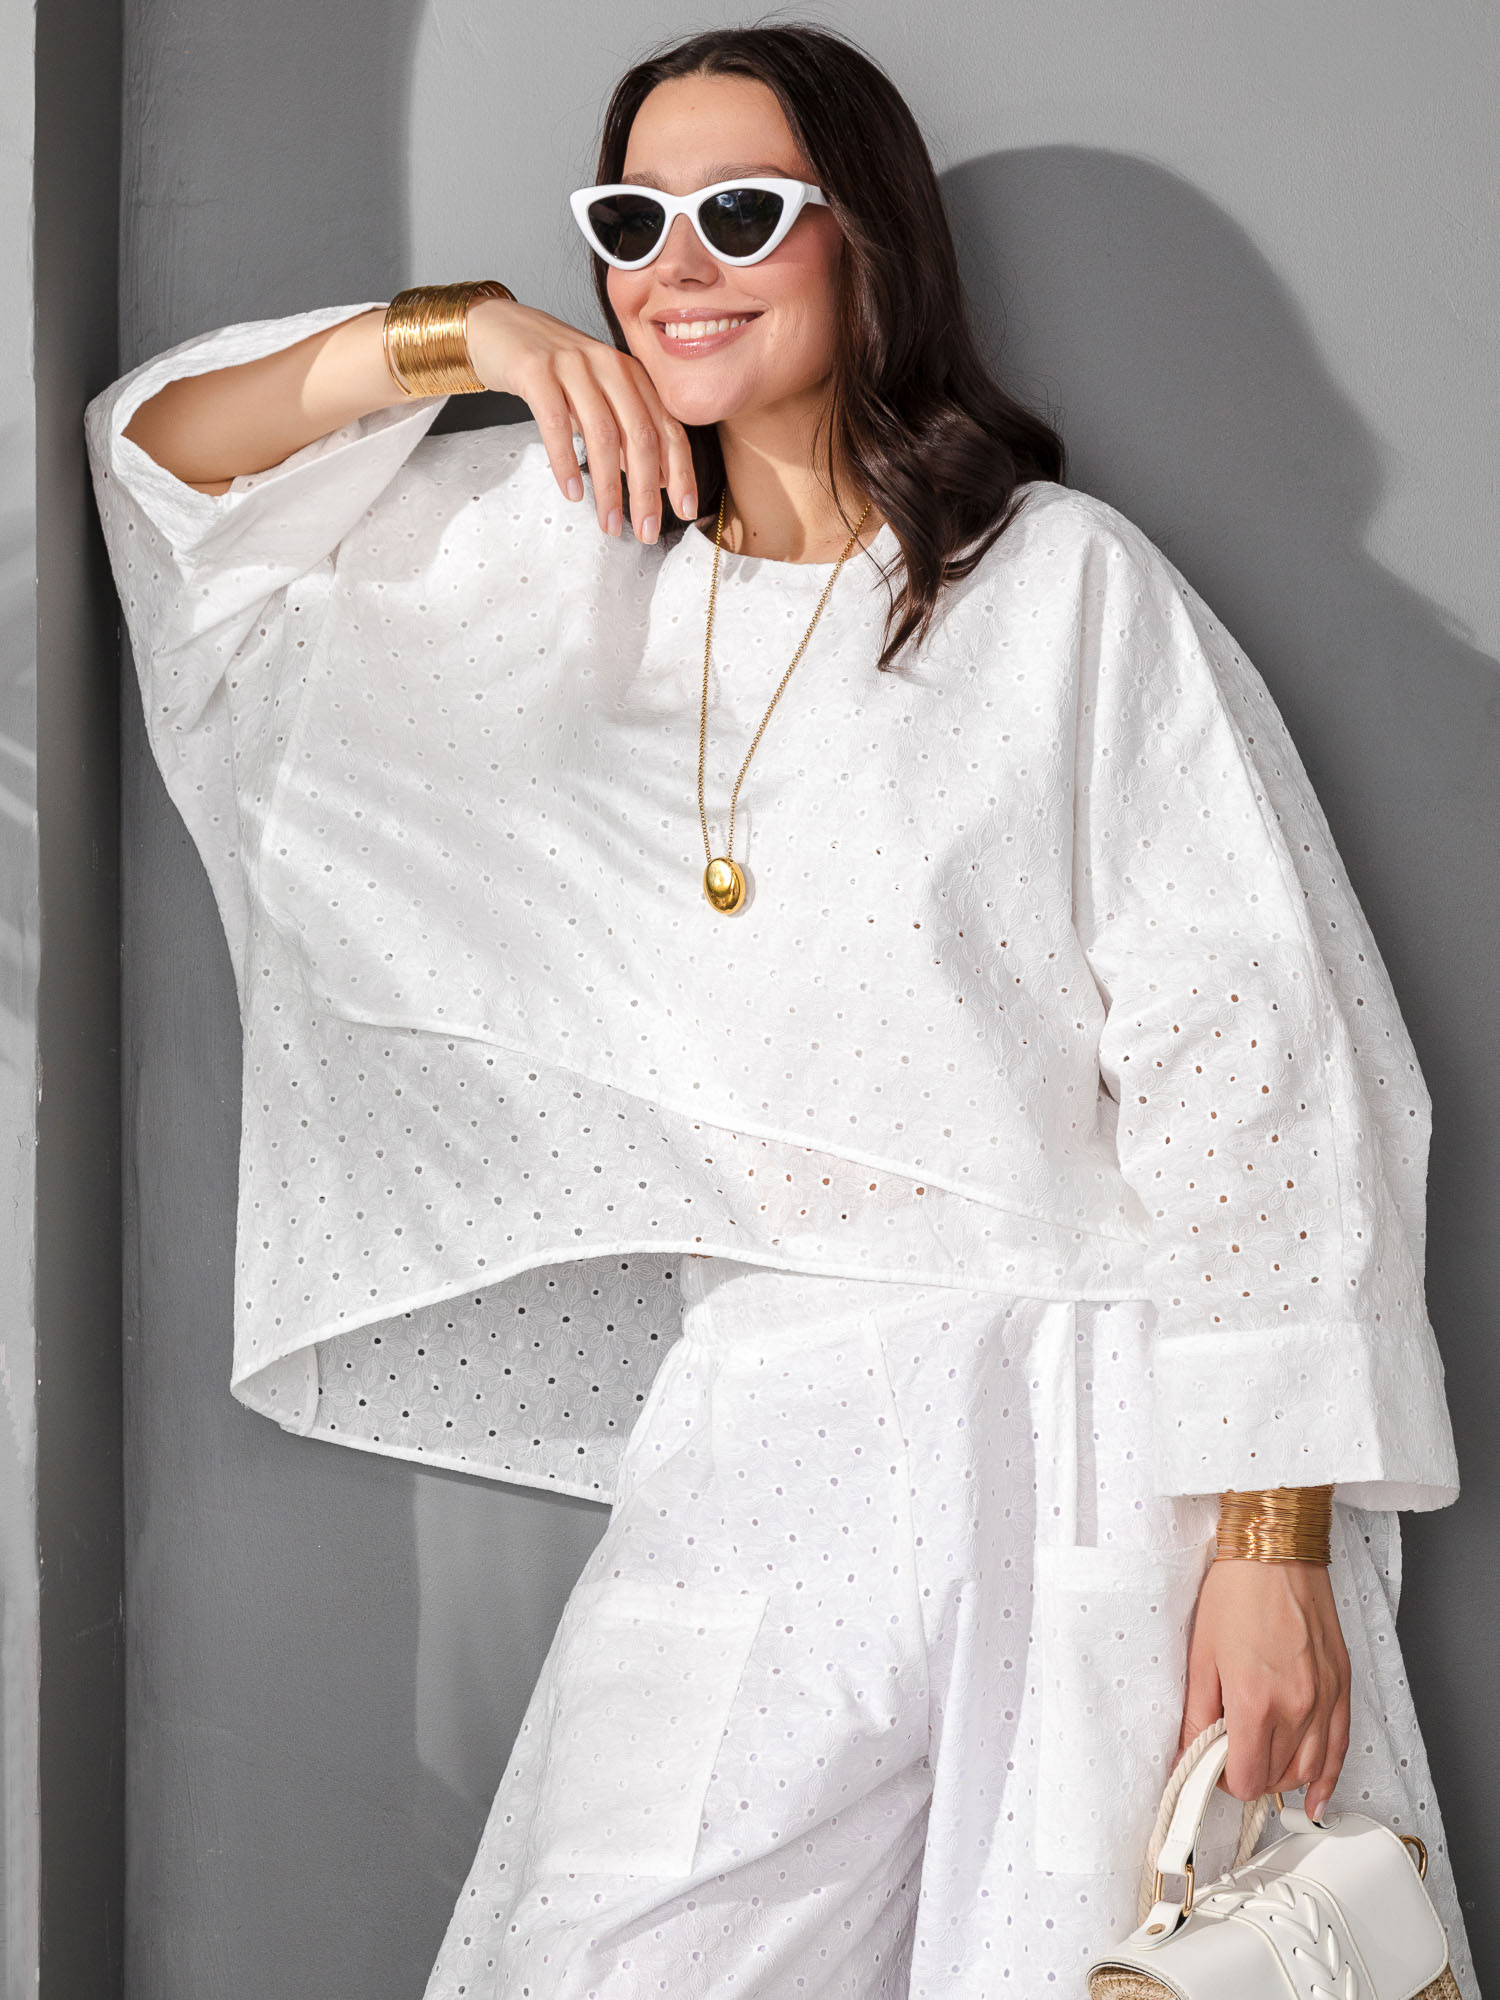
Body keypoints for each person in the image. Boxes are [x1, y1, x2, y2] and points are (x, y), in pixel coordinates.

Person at [86, 21, 1469, 1998]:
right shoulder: (540, 567)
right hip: (766, 1388)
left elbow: (1256, 1060)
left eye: (741, 212)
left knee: (1091, 1959)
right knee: (608, 1949)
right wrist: (466, 335)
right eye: (629, 220)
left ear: (865, 240)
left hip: (1093, 1412)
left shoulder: (1060, 592)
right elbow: (168, 473)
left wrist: (1270, 1543)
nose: (677, 264)